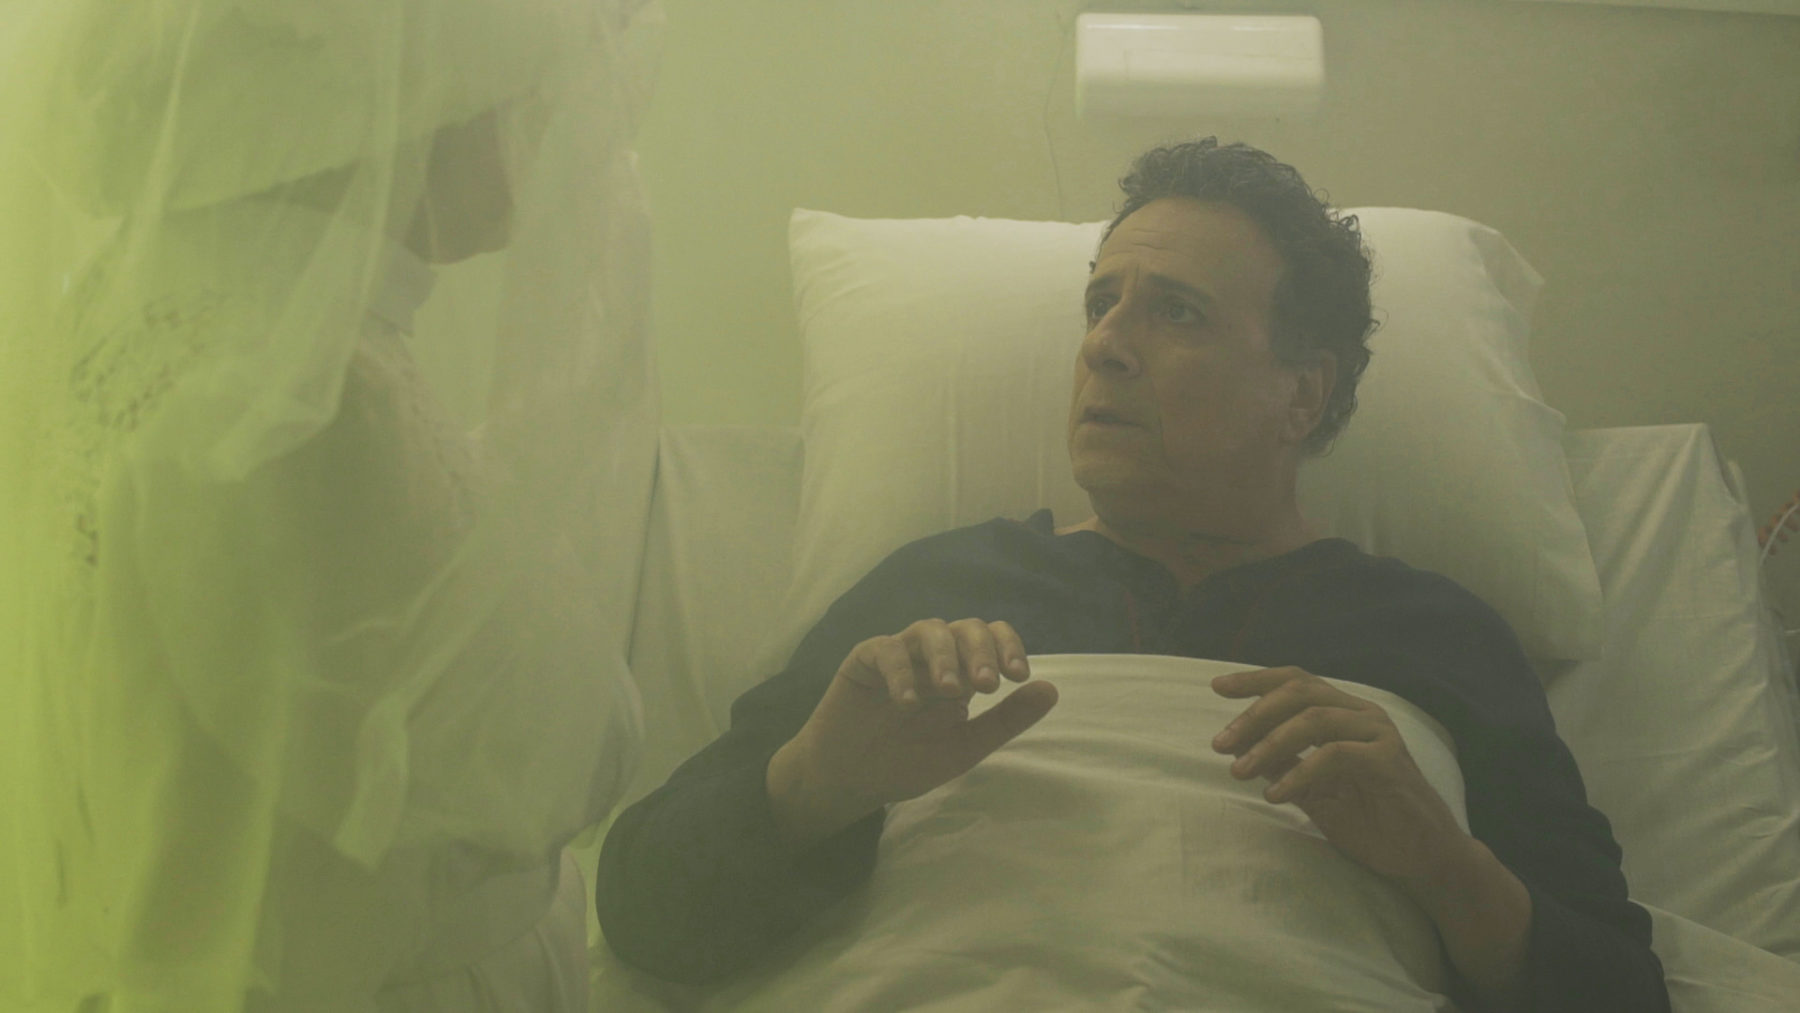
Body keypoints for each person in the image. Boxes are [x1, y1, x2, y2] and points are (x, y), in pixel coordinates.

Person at [594, 138, 1671, 1012]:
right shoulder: (933, 590)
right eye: (1101, 302)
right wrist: (816, 784)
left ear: (1301, 393)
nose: (1104, 344)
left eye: (1176, 311)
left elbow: (1624, 994)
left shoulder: (1433, 631)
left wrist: (1442, 863)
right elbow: (643, 913)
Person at [0, 2, 658, 1010]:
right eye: (523, 81)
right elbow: (555, 754)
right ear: (407, 98)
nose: (553, 118)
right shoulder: (296, 405)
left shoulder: (147, 315)